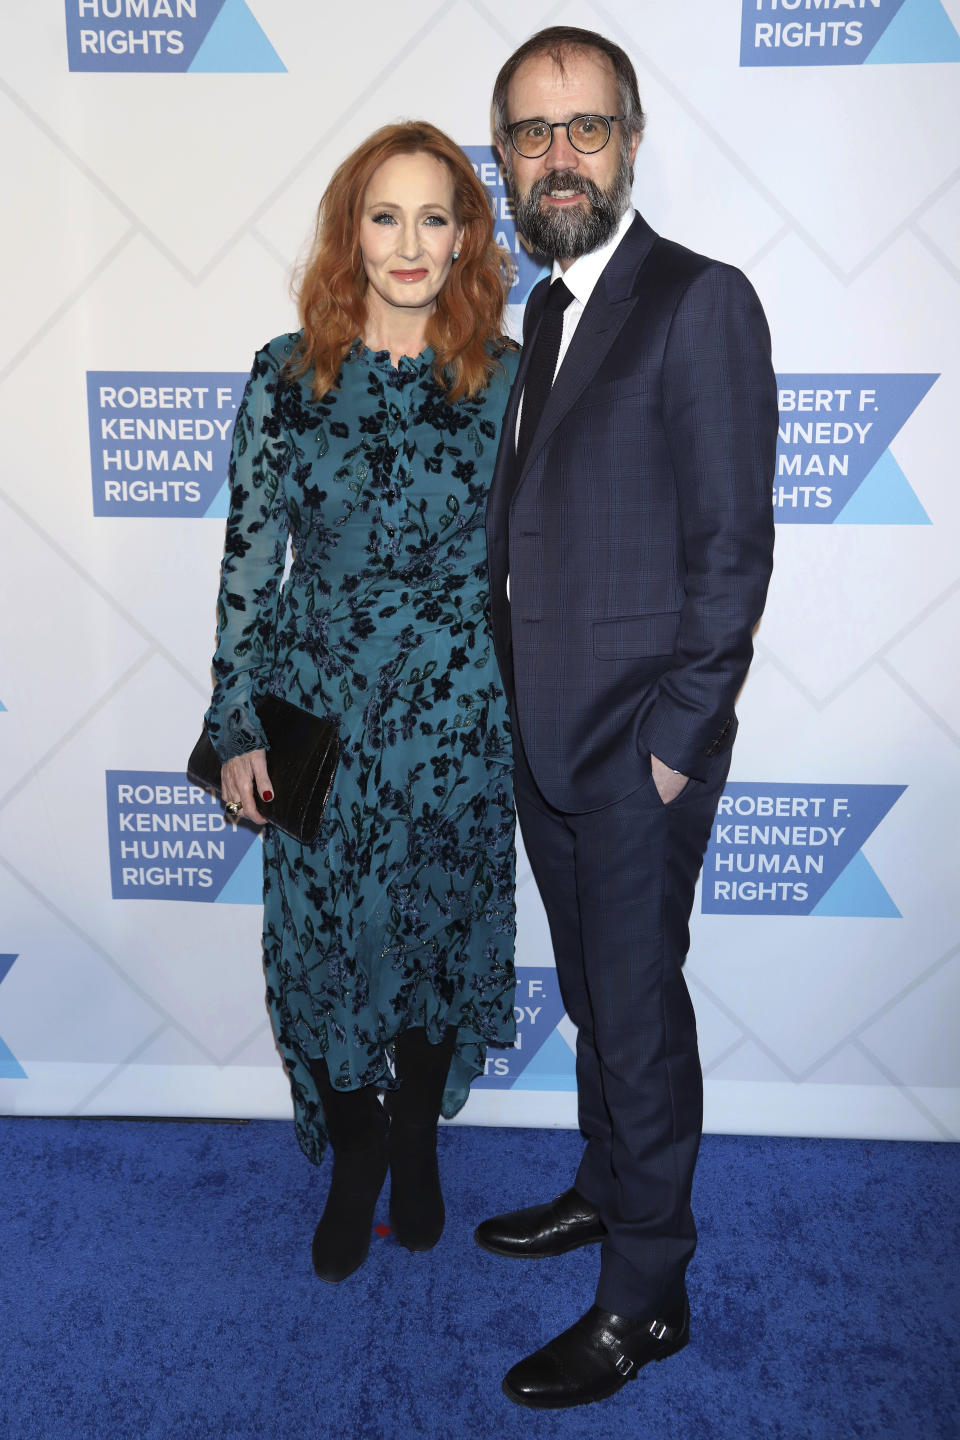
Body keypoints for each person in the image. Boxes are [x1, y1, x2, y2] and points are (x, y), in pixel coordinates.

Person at [476, 28, 778, 1409]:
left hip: (636, 752)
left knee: (640, 1017)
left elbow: (732, 554)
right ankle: (606, 1189)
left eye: (584, 129)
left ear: (633, 142)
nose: (558, 158)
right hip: (549, 740)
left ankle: (647, 1295)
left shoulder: (699, 304)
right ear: (504, 156)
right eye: (533, 134)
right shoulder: (539, 314)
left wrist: (675, 744)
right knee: (598, 1000)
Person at [205, 122, 518, 1284]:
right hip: (319, 711)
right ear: (352, 230)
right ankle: (356, 1147)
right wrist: (236, 721)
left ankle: (420, 1142)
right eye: (385, 215)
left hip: (457, 717)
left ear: (465, 237)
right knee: (321, 949)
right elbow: (249, 562)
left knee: (436, 938)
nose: (409, 242)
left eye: (434, 216)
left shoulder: (509, 380)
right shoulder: (287, 374)